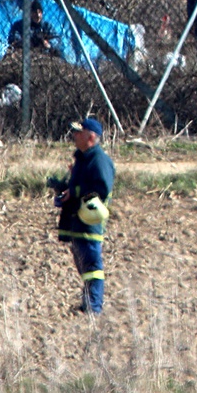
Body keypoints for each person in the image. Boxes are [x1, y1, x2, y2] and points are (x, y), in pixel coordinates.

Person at [46, 117, 115, 315]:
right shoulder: (83, 159)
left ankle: (94, 308)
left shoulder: (99, 160)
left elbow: (101, 188)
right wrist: (62, 187)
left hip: (89, 223)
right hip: (77, 222)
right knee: (84, 265)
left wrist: (74, 191)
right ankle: (88, 305)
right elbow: (79, 187)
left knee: (92, 266)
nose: (74, 136)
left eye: (79, 132)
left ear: (91, 137)